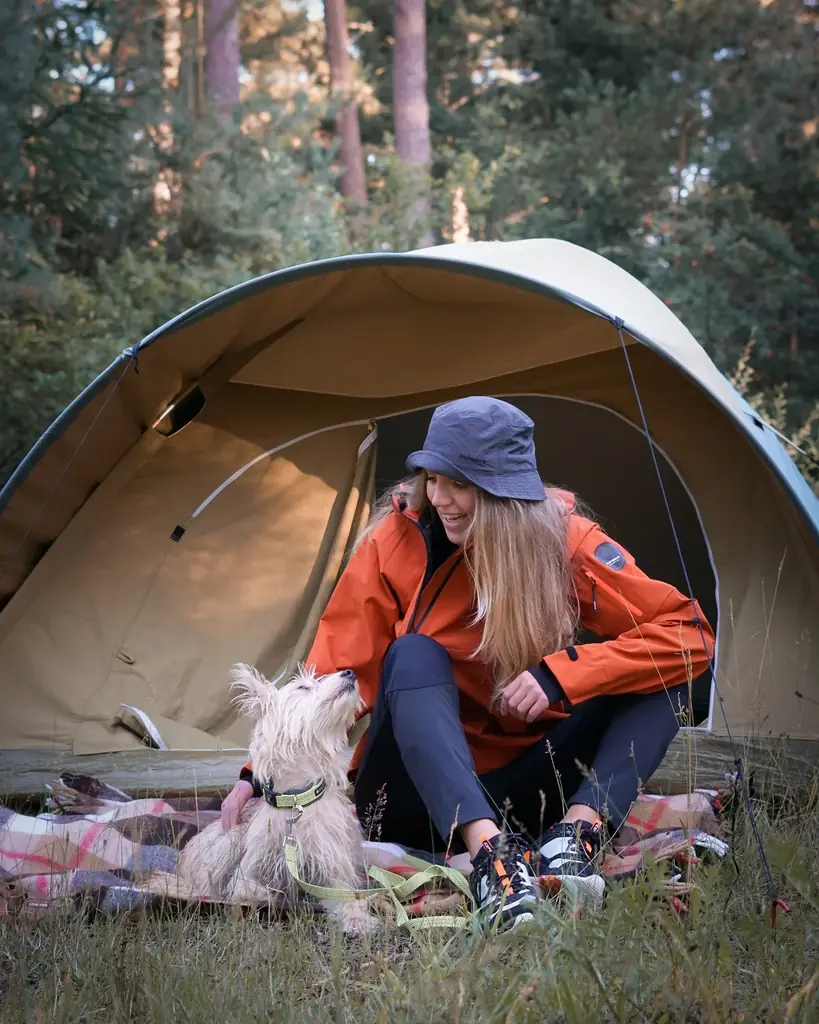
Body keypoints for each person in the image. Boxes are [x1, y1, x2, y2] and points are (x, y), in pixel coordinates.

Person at [222, 397, 714, 931]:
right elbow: (332, 672)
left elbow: (689, 633)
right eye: (432, 478)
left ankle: (573, 840)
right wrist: (259, 775)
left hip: (532, 782)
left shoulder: (563, 541)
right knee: (411, 655)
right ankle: (492, 863)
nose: (440, 498)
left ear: (505, 491)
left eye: (458, 483)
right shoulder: (396, 539)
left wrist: (562, 675)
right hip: (416, 795)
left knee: (665, 677)